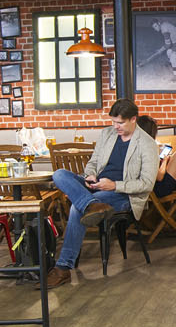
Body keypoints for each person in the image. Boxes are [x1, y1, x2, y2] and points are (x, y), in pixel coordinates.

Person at [47, 100, 157, 287]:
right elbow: (93, 162)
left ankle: (63, 268)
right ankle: (91, 205)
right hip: (96, 186)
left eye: (120, 123)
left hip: (122, 194)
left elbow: (146, 184)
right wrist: (90, 175)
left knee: (76, 208)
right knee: (59, 174)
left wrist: (114, 185)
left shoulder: (147, 144)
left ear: (133, 119)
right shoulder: (107, 134)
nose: (115, 127)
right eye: (113, 122)